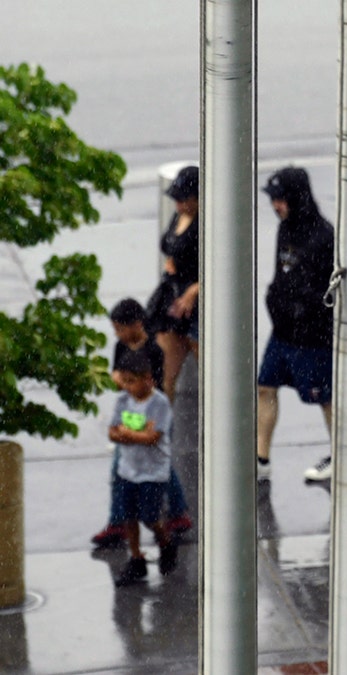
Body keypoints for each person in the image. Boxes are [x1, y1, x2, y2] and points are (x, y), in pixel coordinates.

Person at [256, 167, 336, 483]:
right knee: (265, 386)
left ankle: (340, 455)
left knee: (325, 398)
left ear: (295, 198)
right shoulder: (285, 229)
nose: (275, 206)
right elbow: (282, 273)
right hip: (283, 330)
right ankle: (260, 458)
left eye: (280, 199)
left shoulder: (323, 236)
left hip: (312, 336)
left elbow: (326, 290)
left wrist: (304, 309)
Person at [91, 299, 192, 549]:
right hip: (130, 412)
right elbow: (117, 377)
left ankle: (123, 522)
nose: (117, 334)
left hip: (151, 414)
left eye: (120, 328)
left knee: (153, 464)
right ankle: (174, 514)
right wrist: (125, 382)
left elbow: (149, 384)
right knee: (139, 466)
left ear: (136, 324)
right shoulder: (120, 347)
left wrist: (126, 382)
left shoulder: (154, 351)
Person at [108, 350, 178, 586]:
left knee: (149, 517)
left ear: (147, 378)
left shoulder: (159, 403)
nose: (126, 387)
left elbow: (152, 437)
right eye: (124, 381)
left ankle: (165, 542)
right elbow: (112, 431)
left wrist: (127, 433)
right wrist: (131, 434)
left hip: (152, 473)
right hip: (128, 470)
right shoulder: (123, 401)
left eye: (131, 381)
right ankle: (136, 558)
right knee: (129, 517)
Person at [150, 165, 201, 402]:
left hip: (196, 303)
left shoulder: (207, 223)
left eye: (184, 200)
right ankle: (162, 431)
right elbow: (169, 245)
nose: (179, 205)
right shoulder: (179, 215)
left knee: (210, 373)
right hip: (173, 298)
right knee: (163, 375)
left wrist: (196, 289)